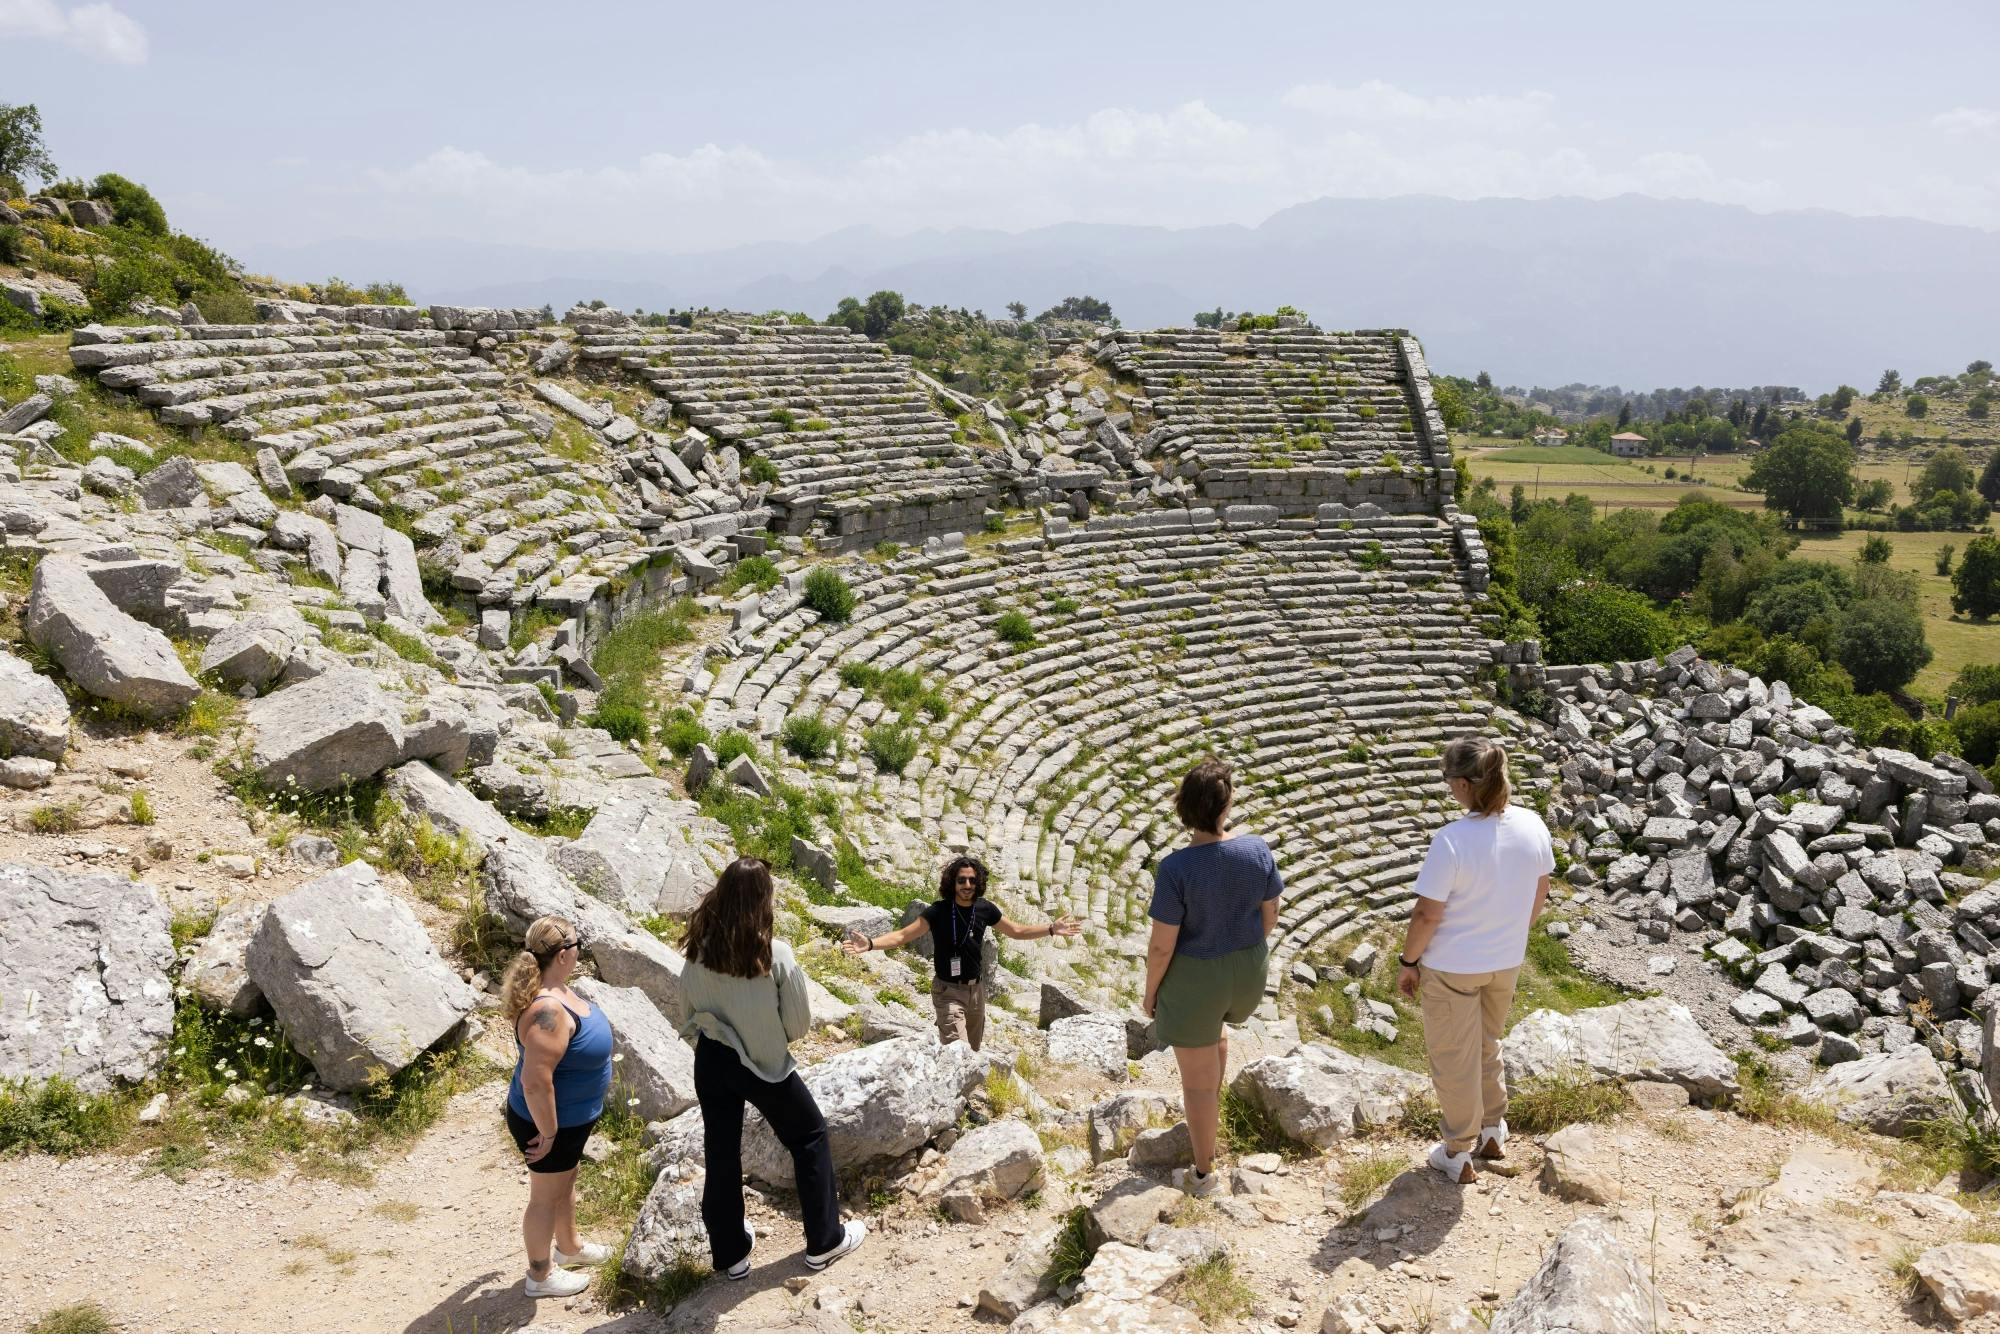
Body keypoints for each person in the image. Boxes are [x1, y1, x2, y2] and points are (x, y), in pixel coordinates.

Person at [678, 857, 866, 1278]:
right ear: (763, 900)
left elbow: (687, 1010)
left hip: (711, 1057)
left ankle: (730, 1254)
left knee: (721, 1151)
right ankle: (824, 1241)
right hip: (764, 1065)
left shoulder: (699, 947)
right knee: (809, 1137)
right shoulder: (774, 954)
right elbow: (798, 1025)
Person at [1395, 735, 1553, 1185]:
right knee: (1488, 1042)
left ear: (1464, 784)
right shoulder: (1531, 824)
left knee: (1452, 1056)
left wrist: (1409, 961)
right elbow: (1540, 888)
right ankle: (1491, 1131)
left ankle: (1457, 1150)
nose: (1448, 786)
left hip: (1454, 966)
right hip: (1506, 959)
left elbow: (1427, 913)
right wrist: (1513, 932)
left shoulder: (1451, 841)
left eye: (1448, 779)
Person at [1143, 758, 1282, 1199]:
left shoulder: (1176, 869)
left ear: (1184, 807)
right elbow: (1271, 915)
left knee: (1196, 1085)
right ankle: (1212, 1117)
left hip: (1198, 980)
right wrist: (1239, 952)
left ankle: (1203, 1176)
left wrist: (1151, 996)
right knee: (1215, 1034)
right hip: (1249, 971)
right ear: (1227, 805)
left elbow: (1162, 946)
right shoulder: (1256, 849)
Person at [843, 854, 1082, 1050]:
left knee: (973, 1052)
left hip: (976, 991)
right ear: (952, 883)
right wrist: (871, 944)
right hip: (947, 991)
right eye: (961, 880)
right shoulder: (938, 911)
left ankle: (964, 1100)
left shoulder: (985, 908)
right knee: (959, 1052)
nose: (967, 885)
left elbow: (1017, 931)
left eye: (971, 880)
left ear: (978, 883)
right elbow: (903, 936)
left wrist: (1051, 928)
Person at [500, 915, 615, 1299]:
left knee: (564, 1183)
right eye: (578, 944)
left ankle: (569, 1249)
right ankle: (540, 1275)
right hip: (549, 1124)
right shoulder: (546, 1012)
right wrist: (548, 1133)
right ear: (564, 954)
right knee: (545, 1197)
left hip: (569, 1121)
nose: (581, 949)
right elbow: (535, 1081)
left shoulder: (557, 991)